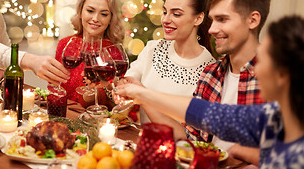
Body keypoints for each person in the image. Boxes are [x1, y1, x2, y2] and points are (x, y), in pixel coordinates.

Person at [115, 15, 304, 168]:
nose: (256, 69)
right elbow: (213, 116)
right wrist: (141, 94)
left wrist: (142, 94)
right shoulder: (274, 116)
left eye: (264, 60)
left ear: (283, 75)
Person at [183, 0, 270, 165]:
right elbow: (192, 137)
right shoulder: (210, 74)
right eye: (212, 19)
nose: (212, 29)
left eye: (222, 19)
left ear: (252, 20)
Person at [120, 0, 215, 139]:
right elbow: (129, 79)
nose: (165, 19)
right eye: (165, 12)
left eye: (176, 14)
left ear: (198, 19)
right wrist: (124, 85)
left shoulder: (210, 71)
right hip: (143, 144)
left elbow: (187, 137)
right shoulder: (153, 48)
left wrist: (142, 95)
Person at [55, 0, 124, 107]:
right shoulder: (65, 44)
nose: (95, 19)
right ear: (80, 12)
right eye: (90, 11)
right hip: (63, 115)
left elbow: (115, 102)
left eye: (103, 14)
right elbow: (55, 87)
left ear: (110, 19)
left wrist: (93, 91)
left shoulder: (113, 52)